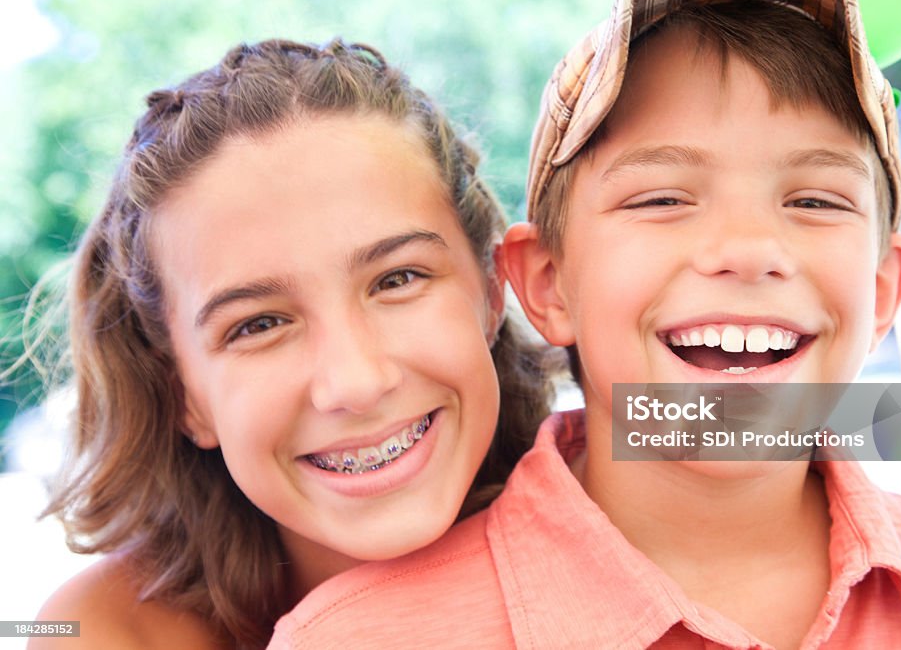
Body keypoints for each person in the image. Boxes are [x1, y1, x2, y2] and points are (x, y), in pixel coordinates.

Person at [269, 0, 901, 648]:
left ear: (884, 289)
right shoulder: (357, 637)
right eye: (662, 198)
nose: (749, 248)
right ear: (547, 284)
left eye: (814, 199)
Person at [30, 37, 553, 649]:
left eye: (397, 280)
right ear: (183, 398)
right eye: (258, 325)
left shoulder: (640, 467)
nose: (356, 382)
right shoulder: (95, 629)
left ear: (491, 291)